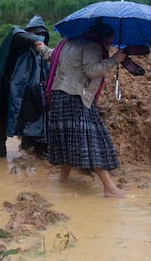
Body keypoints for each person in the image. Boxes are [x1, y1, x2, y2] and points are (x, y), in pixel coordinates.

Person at [36, 22, 126, 198]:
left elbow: (50, 55)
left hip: (59, 97)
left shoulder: (67, 43)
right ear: (102, 36)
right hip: (75, 98)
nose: (109, 45)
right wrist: (114, 60)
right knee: (92, 142)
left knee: (67, 142)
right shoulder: (92, 46)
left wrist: (39, 45)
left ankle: (63, 182)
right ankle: (109, 187)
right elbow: (93, 71)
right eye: (109, 42)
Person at [0, 16, 50, 158]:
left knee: (32, 126)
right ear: (28, 33)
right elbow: (15, 32)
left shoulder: (38, 58)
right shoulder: (16, 44)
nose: (39, 37)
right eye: (35, 33)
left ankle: (28, 155)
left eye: (42, 35)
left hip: (18, 98)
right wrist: (37, 41)